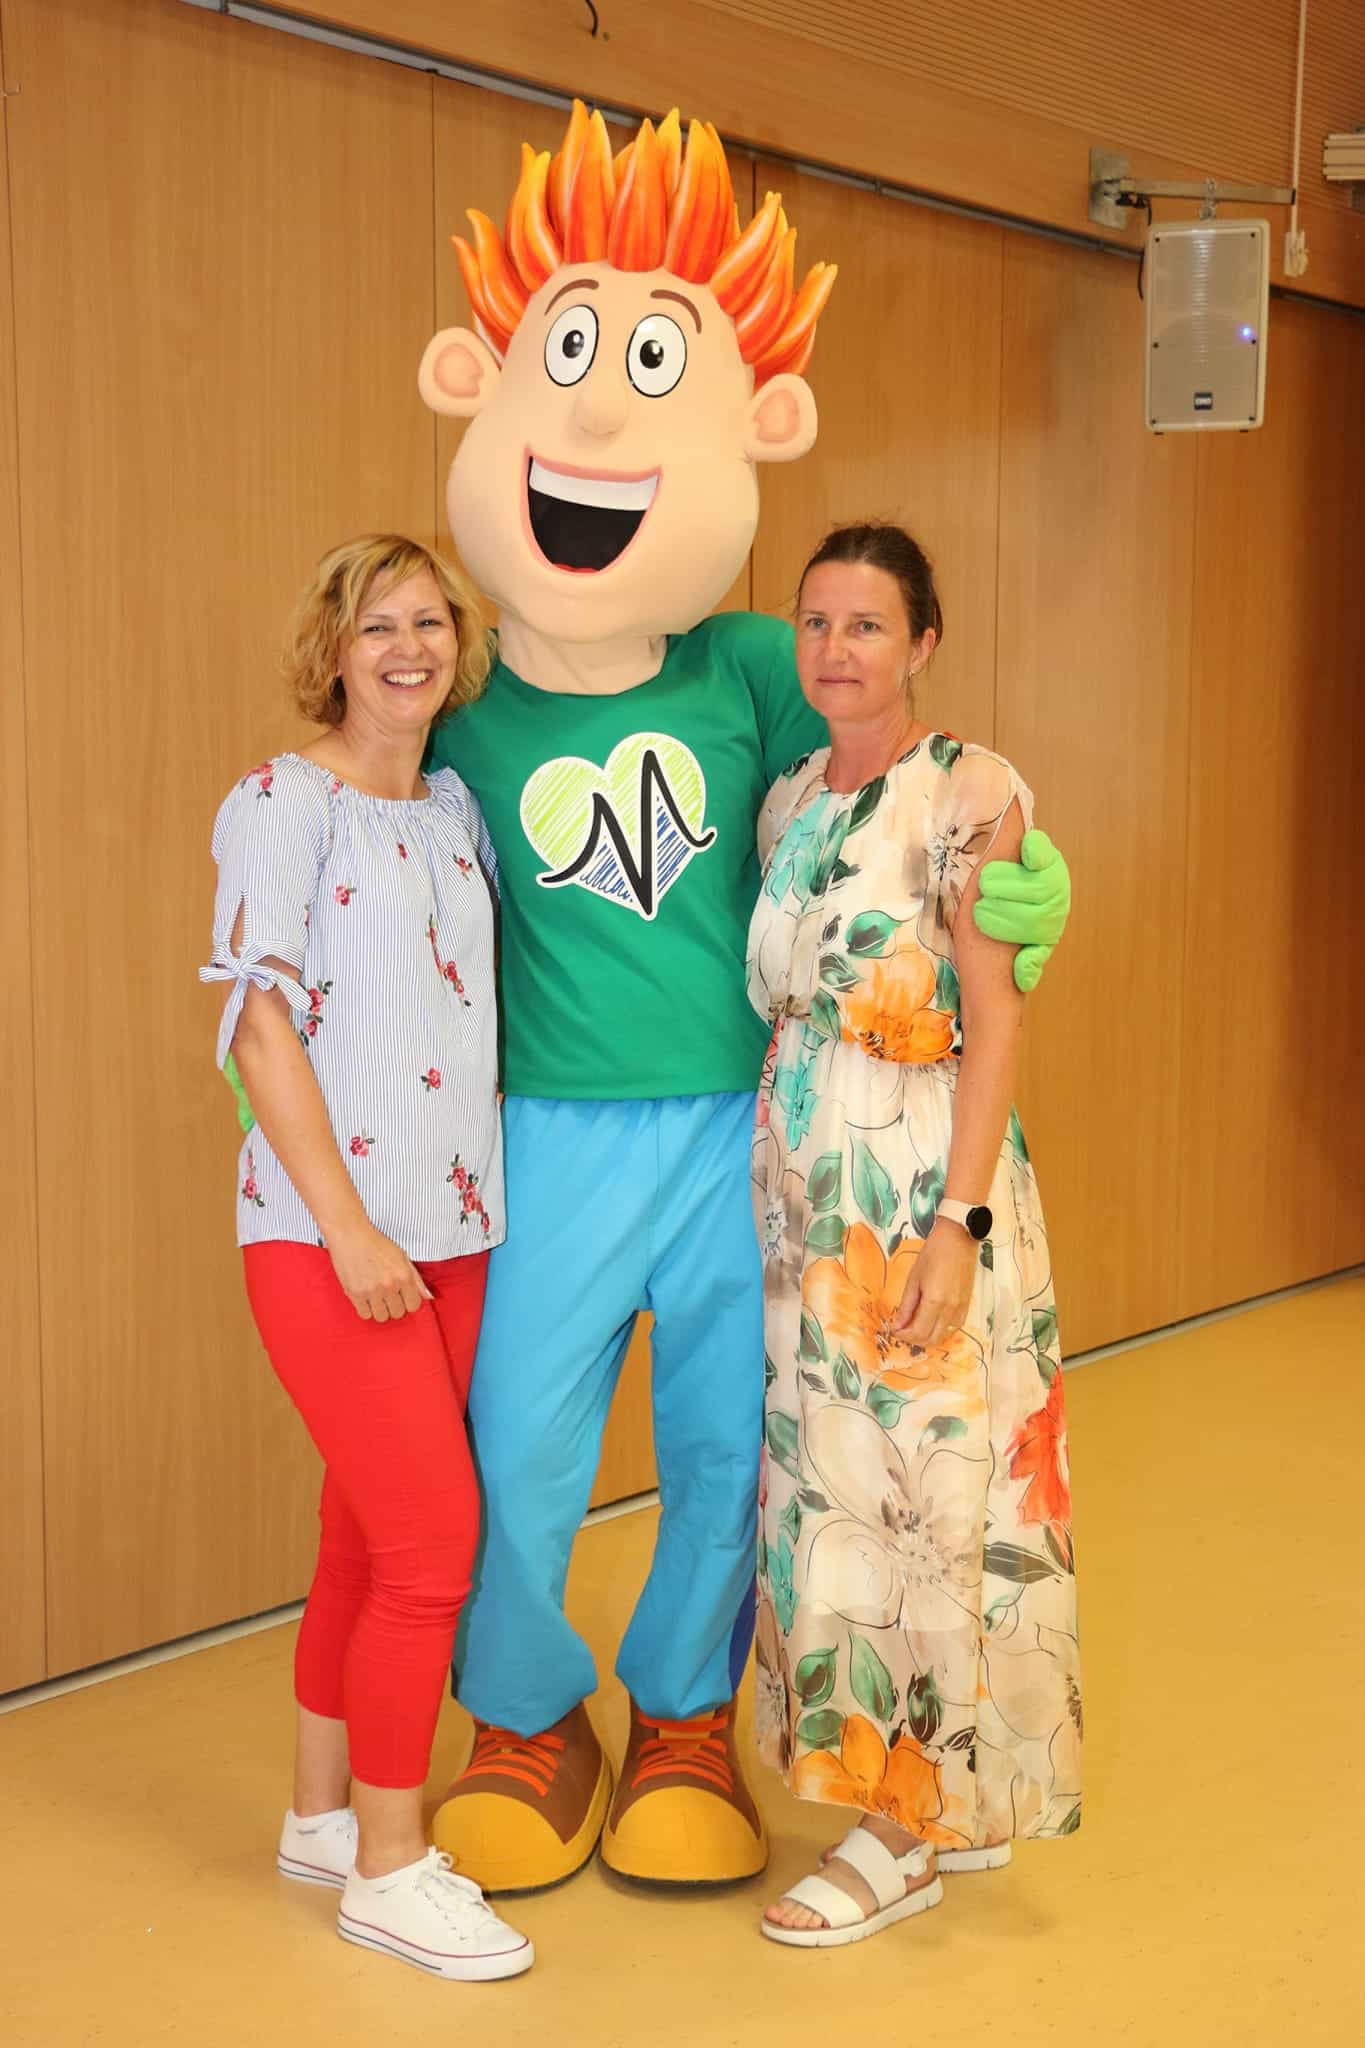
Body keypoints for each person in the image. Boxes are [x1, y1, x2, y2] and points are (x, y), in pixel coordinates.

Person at [416, 98, 1073, 1895]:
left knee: (725, 1437)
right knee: (520, 1442)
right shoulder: (466, 711)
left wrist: (1014, 874)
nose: (599, 425)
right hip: (546, 1128)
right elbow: (384, 869)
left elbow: (891, 774)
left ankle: (686, 1712)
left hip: (737, 1128)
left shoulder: (744, 665)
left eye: (648, 374)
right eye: (569, 368)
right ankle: (523, 1712)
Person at [199, 534, 532, 1982]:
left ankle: (321, 1818)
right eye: (376, 625)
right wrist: (348, 1228)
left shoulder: (452, 805)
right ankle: (390, 1873)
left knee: (364, 1533)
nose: (408, 648)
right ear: (331, 650)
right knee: (430, 1547)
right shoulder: (284, 802)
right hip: (332, 1238)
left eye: (429, 623)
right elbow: (256, 1024)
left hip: (455, 1231)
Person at [748, 523, 1080, 1949]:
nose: (836, 649)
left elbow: (995, 1021)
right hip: (804, 1195)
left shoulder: (968, 790)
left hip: (915, 1184)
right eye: (816, 621)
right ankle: (946, 1794)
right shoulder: (787, 799)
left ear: (923, 641)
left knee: (928, 1500)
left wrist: (956, 1224)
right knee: (835, 1490)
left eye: (868, 624)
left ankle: (906, 1826)